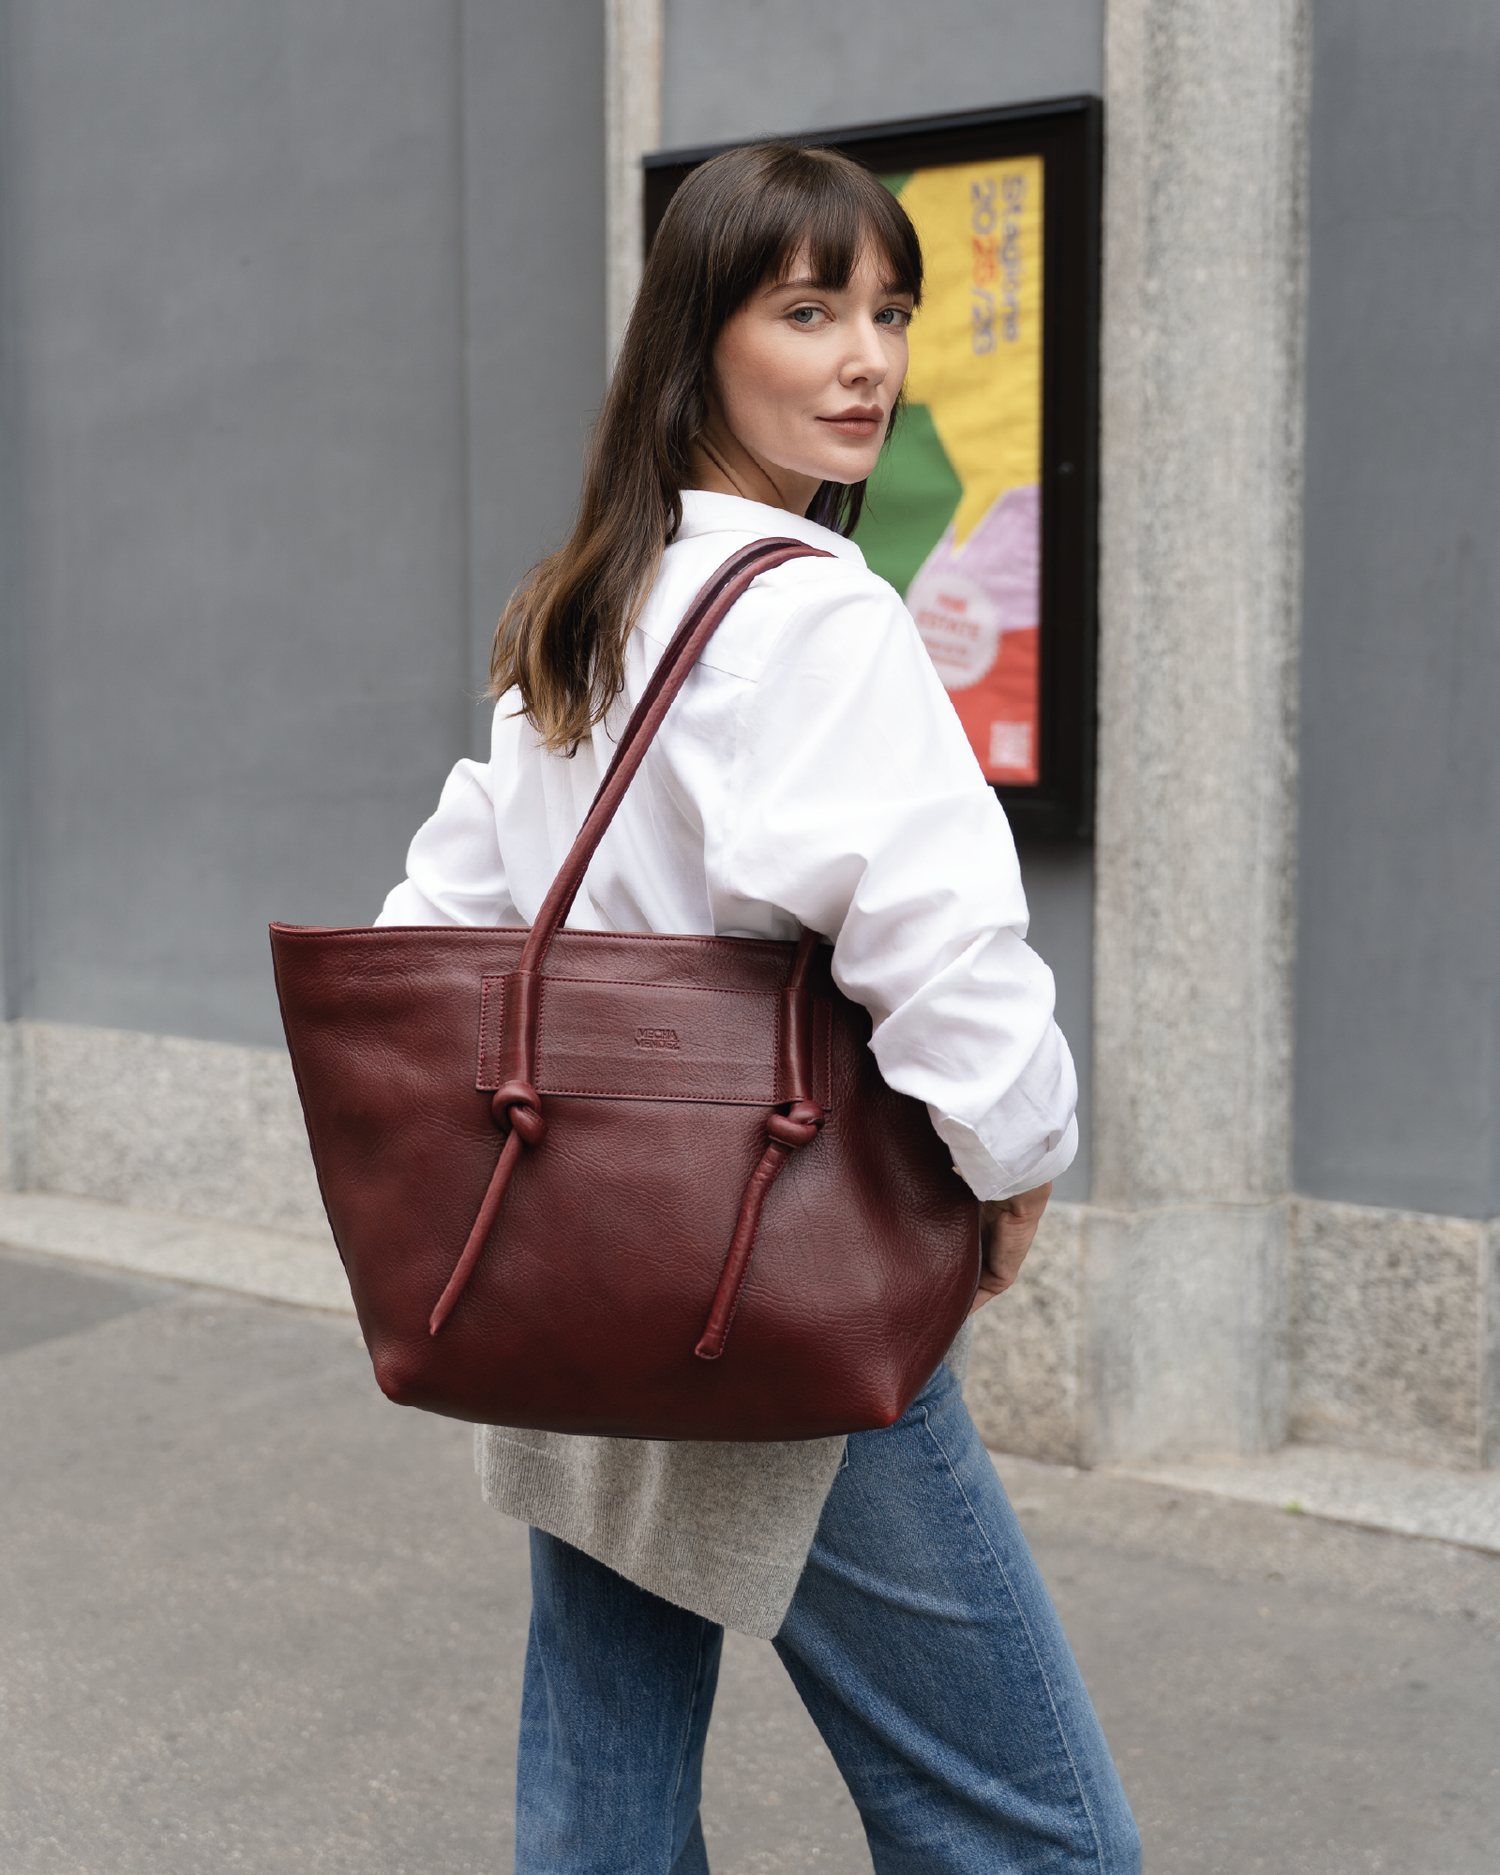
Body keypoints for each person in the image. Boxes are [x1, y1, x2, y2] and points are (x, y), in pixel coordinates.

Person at [377, 142, 1140, 1875]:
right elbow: (938, 943)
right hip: (779, 1278)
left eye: (889, 309)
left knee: (604, 1806)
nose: (868, 356)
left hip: (583, 1277)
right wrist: (1016, 1159)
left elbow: (434, 926)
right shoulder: (817, 617)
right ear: (697, 344)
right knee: (1034, 1832)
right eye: (808, 311)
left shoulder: (575, 616)